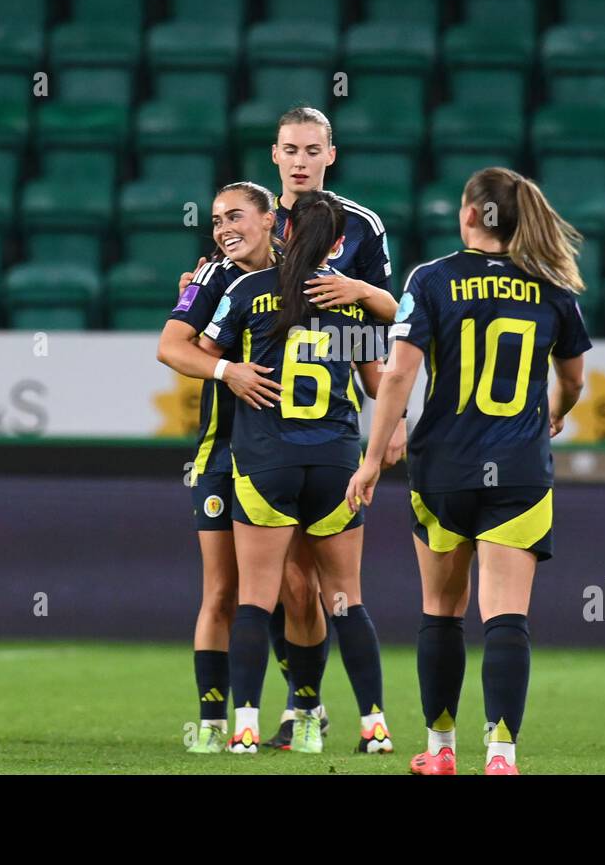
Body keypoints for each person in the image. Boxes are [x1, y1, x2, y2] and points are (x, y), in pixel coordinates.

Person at [348, 167, 591, 775]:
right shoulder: (553, 287)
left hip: (444, 469)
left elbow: (399, 374)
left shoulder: (429, 279)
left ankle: (440, 751)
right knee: (506, 615)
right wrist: (553, 415)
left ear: (468, 215)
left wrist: (373, 458)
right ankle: (502, 756)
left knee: (441, 610)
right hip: (519, 469)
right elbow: (575, 379)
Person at [180, 106, 403, 749]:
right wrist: (221, 352)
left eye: (312, 149)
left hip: (287, 441)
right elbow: (184, 332)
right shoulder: (247, 228)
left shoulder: (357, 228)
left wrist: (356, 290)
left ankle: (280, 713)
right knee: (292, 587)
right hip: (267, 436)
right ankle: (332, 715)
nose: (300, 159)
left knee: (292, 587)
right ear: (274, 156)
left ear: (330, 154)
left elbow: (392, 315)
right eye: (289, 149)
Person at [156, 181, 283, 753]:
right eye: (215, 220)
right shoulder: (211, 277)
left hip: (291, 450)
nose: (224, 228)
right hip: (224, 450)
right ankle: (211, 720)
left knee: (298, 589)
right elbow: (171, 347)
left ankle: (307, 707)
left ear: (269, 218)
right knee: (222, 591)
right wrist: (227, 372)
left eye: (236, 216)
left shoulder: (303, 274)